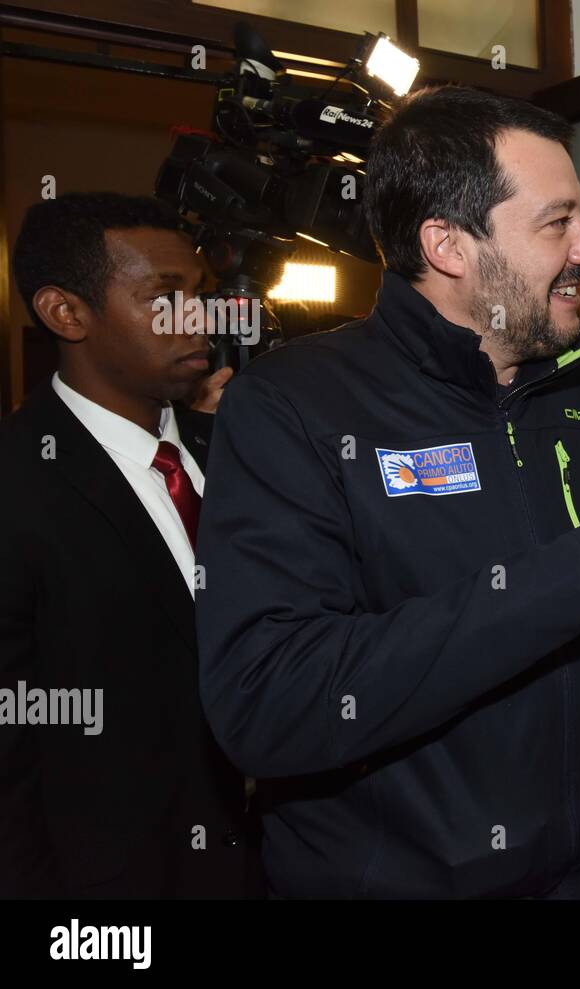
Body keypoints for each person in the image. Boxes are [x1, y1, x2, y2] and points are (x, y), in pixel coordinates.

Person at [194, 85, 580, 899]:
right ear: (448, 244)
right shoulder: (294, 406)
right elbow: (271, 702)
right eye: (558, 221)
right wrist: (577, 569)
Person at [0, 192, 260, 897]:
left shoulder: (238, 452)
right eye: (163, 296)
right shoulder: (20, 485)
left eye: (200, 293)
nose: (199, 316)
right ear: (66, 312)